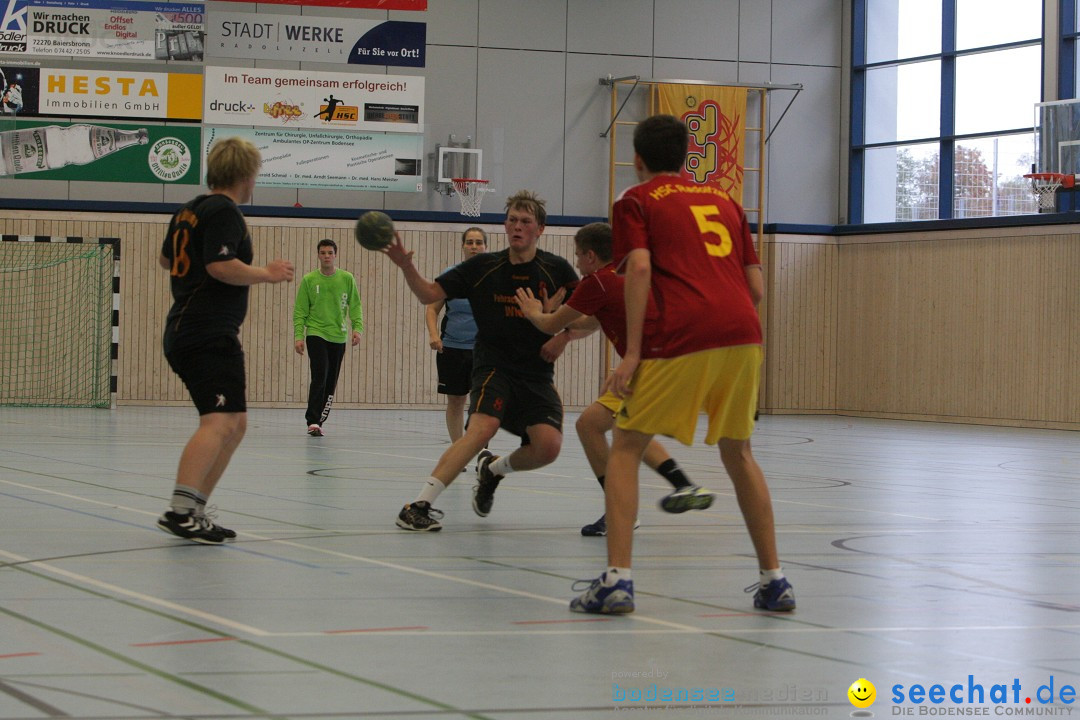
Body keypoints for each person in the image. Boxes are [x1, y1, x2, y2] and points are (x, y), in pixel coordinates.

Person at [569, 115, 794, 614]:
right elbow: (756, 288)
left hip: (683, 333)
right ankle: (774, 580)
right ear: (688, 155)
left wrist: (631, 353)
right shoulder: (727, 201)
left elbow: (642, 268)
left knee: (625, 446)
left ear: (639, 159)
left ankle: (617, 582)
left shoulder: (636, 200)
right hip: (743, 333)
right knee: (740, 454)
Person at [382, 190, 578, 531]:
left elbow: (587, 315)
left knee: (548, 447)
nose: (517, 227)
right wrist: (406, 266)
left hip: (536, 373)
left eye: (525, 221)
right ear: (505, 225)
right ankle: (417, 505)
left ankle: (493, 470)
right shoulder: (482, 267)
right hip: (493, 366)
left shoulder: (556, 270)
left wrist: (563, 336)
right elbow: (430, 294)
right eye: (512, 220)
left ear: (540, 229)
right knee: (480, 429)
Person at [515, 222, 715, 536]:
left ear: (592, 256)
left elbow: (547, 323)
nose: (577, 262)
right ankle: (684, 487)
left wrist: (533, 311)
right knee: (606, 426)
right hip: (672, 361)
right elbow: (594, 321)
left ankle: (621, 512)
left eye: (579, 256)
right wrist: (566, 336)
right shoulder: (625, 274)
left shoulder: (596, 282)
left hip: (652, 366)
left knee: (607, 430)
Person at [157, 136, 294, 544]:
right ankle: (181, 511)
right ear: (245, 175)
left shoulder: (191, 209)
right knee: (218, 422)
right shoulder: (224, 210)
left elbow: (167, 259)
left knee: (235, 423)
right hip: (206, 332)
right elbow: (219, 265)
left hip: (193, 329)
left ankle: (195, 508)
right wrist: (266, 273)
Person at [293, 238, 364, 437]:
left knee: (331, 380)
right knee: (320, 375)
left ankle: (321, 419)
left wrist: (357, 329)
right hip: (316, 333)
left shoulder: (347, 278)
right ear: (318, 255)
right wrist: (299, 335)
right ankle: (312, 420)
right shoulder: (309, 280)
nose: (326, 256)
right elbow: (300, 310)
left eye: (329, 253)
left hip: (338, 336)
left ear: (335, 255)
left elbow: (355, 305)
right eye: (322, 252)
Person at [425, 227, 487, 446]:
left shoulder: (494, 276)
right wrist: (434, 335)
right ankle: (458, 449)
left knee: (481, 403)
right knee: (456, 400)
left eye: (478, 242)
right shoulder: (451, 276)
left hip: (484, 351)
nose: (474, 247)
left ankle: (480, 451)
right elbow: (432, 309)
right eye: (470, 242)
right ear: (463, 246)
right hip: (452, 349)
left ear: (485, 247)